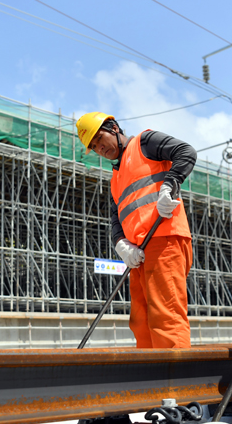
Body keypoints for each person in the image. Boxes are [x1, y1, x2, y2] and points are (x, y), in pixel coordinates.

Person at [76, 112, 196, 348]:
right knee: (141, 321)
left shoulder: (144, 142)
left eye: (100, 139)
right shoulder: (115, 177)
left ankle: (175, 382)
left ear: (114, 128)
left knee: (166, 316)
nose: (100, 148)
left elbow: (186, 152)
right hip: (139, 253)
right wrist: (121, 244)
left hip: (164, 240)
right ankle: (150, 377)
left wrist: (169, 185)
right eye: (94, 146)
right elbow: (116, 218)